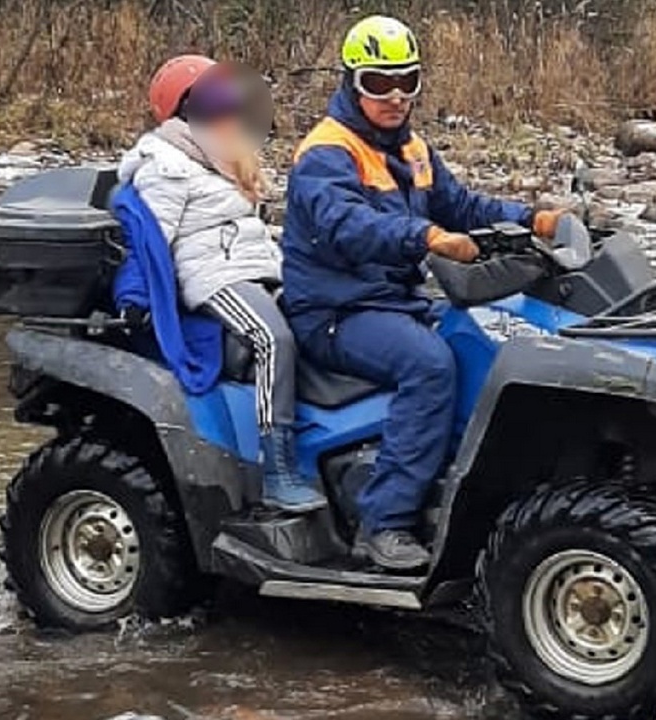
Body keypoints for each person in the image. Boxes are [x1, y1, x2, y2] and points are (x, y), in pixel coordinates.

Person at [283, 16, 565, 571]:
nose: (394, 97)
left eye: (406, 81)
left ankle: (462, 491)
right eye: (378, 83)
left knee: (484, 338)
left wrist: (533, 219)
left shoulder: (412, 148)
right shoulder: (325, 153)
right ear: (350, 82)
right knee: (430, 365)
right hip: (336, 309)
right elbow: (347, 225)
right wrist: (426, 237)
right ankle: (383, 522)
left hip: (394, 300)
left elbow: (462, 207)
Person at [119, 56, 326, 513]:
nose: (228, 106)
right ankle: (277, 470)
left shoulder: (220, 157)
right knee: (273, 339)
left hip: (254, 268)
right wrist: (132, 295)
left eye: (229, 94)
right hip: (213, 277)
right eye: (214, 97)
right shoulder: (166, 164)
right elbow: (147, 238)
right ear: (183, 109)